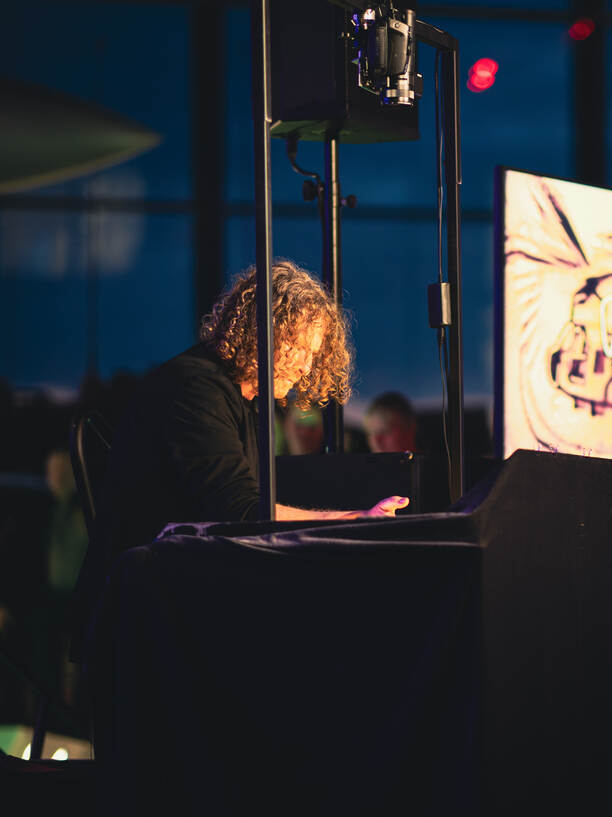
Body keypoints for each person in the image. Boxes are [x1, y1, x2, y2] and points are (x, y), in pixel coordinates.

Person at [73, 262, 407, 645]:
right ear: (259, 331)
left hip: (180, 596)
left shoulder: (246, 401)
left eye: (312, 353)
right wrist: (351, 519)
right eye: (298, 347)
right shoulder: (196, 389)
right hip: (146, 615)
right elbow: (241, 513)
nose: (306, 366)